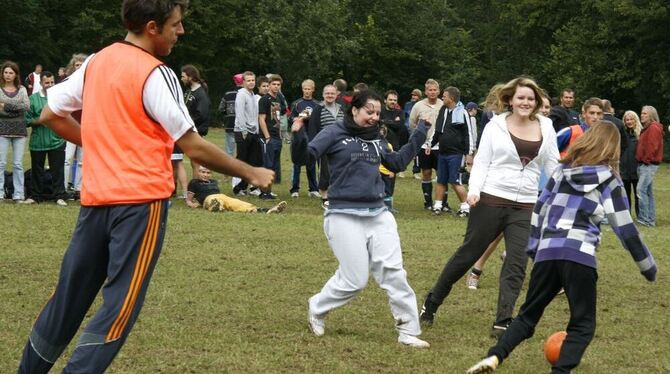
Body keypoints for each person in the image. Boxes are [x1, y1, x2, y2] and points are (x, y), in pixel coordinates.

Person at [18, 1, 274, 372]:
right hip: (140, 205)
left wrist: (102, 144)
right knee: (119, 308)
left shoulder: (96, 61)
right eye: (176, 24)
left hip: (95, 201)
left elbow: (48, 114)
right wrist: (250, 172)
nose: (181, 32)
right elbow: (192, 145)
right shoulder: (157, 73)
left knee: (66, 301)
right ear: (152, 27)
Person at [466, 121, 657, 374]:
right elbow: (626, 230)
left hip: (547, 253)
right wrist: (647, 266)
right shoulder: (610, 180)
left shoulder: (561, 172)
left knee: (526, 317)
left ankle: (494, 356)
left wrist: (534, 249)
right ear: (613, 149)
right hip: (579, 255)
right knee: (582, 324)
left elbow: (539, 211)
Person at [420, 77, 560, 339]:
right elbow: (482, 162)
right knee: (468, 254)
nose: (526, 102)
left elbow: (552, 165)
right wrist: (473, 191)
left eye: (530, 98)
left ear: (537, 102)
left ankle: (503, 320)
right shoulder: (496, 125)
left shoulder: (547, 126)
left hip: (525, 204)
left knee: (517, 262)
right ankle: (432, 301)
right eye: (521, 98)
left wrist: (562, 195)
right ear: (510, 99)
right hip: (491, 199)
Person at [306, 90, 431, 348]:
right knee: (355, 280)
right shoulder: (335, 132)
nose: (374, 117)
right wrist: (298, 133)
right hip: (342, 214)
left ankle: (408, 330)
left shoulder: (377, 138)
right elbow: (306, 155)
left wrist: (419, 134)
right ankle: (317, 307)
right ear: (355, 110)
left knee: (394, 272)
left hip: (378, 214)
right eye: (369, 112)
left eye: (377, 113)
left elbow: (395, 163)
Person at [23, 71, 68, 206]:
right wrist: (41, 120)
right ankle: (35, 196)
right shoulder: (33, 99)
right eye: (46, 82)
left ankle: (59, 196)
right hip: (38, 141)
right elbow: (27, 120)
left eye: (52, 82)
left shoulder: (60, 97)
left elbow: (66, 116)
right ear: (41, 83)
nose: (49, 85)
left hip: (57, 140)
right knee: (37, 170)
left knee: (58, 170)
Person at [430, 86, 475, 217]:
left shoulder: (463, 112)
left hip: (457, 153)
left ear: (452, 98)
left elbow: (468, 134)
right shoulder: (443, 110)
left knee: (455, 180)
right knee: (441, 179)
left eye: (444, 96)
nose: (442, 98)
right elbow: (438, 130)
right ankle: (437, 205)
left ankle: (465, 207)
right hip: (443, 152)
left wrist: (469, 153)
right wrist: (430, 145)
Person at [306, 84, 345, 207]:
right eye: (327, 93)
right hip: (325, 145)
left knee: (340, 171)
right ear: (323, 95)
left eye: (332, 93)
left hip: (341, 146)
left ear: (336, 95)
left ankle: (337, 195)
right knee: (325, 172)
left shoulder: (342, 108)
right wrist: (314, 146)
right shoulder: (318, 109)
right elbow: (313, 128)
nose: (330, 95)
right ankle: (325, 197)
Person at [187, 166, 285, 213]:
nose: (205, 175)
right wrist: (193, 205)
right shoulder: (194, 182)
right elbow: (189, 200)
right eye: (203, 172)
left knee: (238, 203)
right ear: (198, 173)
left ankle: (264, 210)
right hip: (208, 199)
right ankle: (216, 206)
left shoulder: (214, 182)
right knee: (213, 200)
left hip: (222, 197)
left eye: (208, 173)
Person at [409, 79, 444, 210]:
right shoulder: (418, 106)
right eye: (430, 90)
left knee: (442, 173)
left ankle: (442, 203)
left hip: (440, 145)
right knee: (426, 172)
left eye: (435, 90)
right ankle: (428, 202)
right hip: (424, 146)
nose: (433, 92)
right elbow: (412, 124)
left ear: (439, 91)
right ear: (426, 92)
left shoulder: (443, 105)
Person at [0, 60, 30, 202]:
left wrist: (5, 106)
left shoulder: (22, 89)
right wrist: (15, 108)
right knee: (1, 163)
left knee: (18, 164)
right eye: (6, 72)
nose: (8, 75)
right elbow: (19, 107)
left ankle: (18, 194)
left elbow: (26, 106)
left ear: (15, 74)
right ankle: (0, 193)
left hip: (19, 131)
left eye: (11, 73)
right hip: (2, 130)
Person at [232, 71, 263, 196]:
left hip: (253, 132)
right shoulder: (241, 94)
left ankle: (244, 186)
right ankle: (237, 186)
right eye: (248, 80)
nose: (251, 82)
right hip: (242, 131)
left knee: (255, 160)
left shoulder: (252, 95)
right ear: (243, 82)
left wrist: (255, 130)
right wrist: (244, 130)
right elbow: (239, 113)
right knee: (242, 160)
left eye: (253, 80)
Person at [288, 79, 320, 198]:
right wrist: (300, 117)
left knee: (311, 163)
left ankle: (313, 189)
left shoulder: (317, 104)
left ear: (313, 89)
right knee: (297, 163)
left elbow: (318, 120)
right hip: (299, 137)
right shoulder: (297, 103)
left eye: (309, 89)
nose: (307, 91)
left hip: (312, 136)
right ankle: (294, 189)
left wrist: (310, 117)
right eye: (305, 89)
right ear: (302, 89)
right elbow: (291, 119)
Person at [63, 53, 88, 197]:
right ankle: (64, 187)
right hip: (71, 124)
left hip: (86, 124)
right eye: (76, 65)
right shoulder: (69, 83)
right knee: (67, 158)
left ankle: (79, 188)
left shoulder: (90, 81)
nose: (78, 67)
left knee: (82, 161)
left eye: (81, 65)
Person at [635, 105, 664, 227]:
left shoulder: (653, 128)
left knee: (640, 190)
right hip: (646, 163)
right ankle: (649, 219)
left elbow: (653, 146)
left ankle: (645, 219)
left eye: (645, 113)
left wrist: (646, 160)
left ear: (651, 115)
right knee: (647, 192)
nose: (642, 115)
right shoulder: (648, 128)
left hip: (648, 164)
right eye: (642, 113)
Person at [181, 64, 210, 175]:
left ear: (191, 77)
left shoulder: (201, 94)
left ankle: (197, 185)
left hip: (194, 130)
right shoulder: (188, 91)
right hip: (185, 129)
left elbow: (201, 114)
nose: (182, 79)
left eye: (183, 76)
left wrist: (187, 124)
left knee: (195, 160)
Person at [258, 74, 283, 199]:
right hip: (268, 137)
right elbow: (261, 119)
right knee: (267, 165)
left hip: (277, 136)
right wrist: (267, 136)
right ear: (269, 85)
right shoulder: (264, 100)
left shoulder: (278, 99)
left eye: (278, 84)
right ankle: (264, 192)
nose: (276, 86)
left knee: (273, 165)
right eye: (274, 84)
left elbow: (280, 118)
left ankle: (269, 190)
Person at [620, 110, 641, 217]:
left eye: (631, 119)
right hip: (624, 170)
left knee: (638, 195)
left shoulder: (640, 134)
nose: (629, 122)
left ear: (635, 120)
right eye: (627, 120)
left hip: (637, 170)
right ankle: (626, 216)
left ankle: (640, 215)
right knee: (625, 195)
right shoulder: (622, 134)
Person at [219, 73, 243, 157]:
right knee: (242, 150)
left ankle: (228, 167)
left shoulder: (228, 94)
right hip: (243, 125)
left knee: (229, 149)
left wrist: (227, 115)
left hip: (230, 124)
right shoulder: (248, 94)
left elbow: (221, 108)